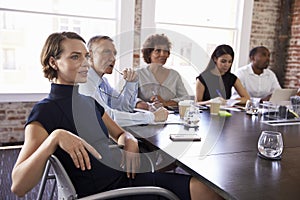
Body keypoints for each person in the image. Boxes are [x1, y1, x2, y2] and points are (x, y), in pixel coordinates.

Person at [11, 32, 223, 200]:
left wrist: (129, 141)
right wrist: (54, 138)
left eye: (85, 56)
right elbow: (19, 186)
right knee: (207, 191)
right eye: (75, 57)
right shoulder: (45, 111)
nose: (85, 63)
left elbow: (121, 133)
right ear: (53, 63)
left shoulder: (88, 101)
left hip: (125, 177)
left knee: (207, 188)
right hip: (110, 192)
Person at [79, 35, 168, 127]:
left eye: (114, 54)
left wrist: (131, 83)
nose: (113, 58)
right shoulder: (85, 82)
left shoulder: (103, 83)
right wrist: (152, 117)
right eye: (106, 52)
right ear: (90, 55)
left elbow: (125, 108)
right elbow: (108, 118)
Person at [135, 33, 189, 110]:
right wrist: (143, 104)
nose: (163, 54)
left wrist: (165, 103)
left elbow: (185, 98)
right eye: (158, 51)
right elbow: (129, 99)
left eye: (165, 51)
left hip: (170, 118)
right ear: (149, 53)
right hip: (144, 117)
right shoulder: (138, 74)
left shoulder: (174, 75)